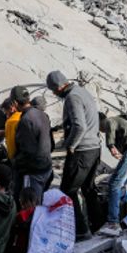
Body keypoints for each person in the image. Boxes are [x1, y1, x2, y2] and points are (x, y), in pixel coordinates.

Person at [47, 71, 101, 239]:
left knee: (68, 190)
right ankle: (99, 226)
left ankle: (81, 231)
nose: (55, 94)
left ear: (59, 87)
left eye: (54, 91)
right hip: (94, 148)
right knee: (88, 189)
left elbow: (79, 126)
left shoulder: (72, 97)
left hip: (82, 150)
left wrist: (70, 145)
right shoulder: (82, 91)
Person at [10, 86, 52, 205]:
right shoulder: (42, 114)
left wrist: (14, 162)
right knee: (41, 203)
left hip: (34, 171)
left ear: (14, 102)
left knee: (32, 207)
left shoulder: (25, 120)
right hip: (47, 167)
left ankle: (32, 223)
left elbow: (27, 151)